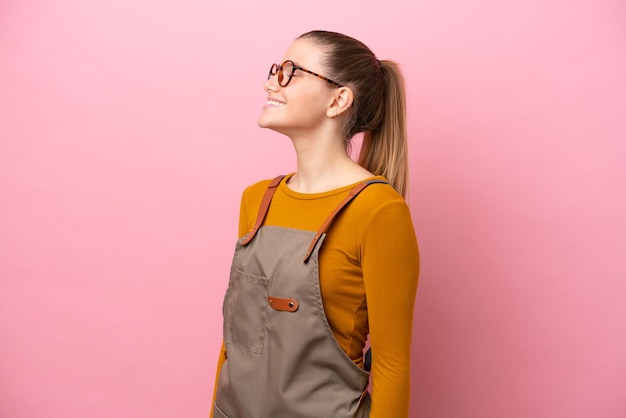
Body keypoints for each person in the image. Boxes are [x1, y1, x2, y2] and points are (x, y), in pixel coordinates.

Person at [211, 30, 419, 418]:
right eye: (276, 69)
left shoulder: (378, 210)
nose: (271, 81)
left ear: (338, 99)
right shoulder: (256, 200)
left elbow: (392, 368)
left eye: (291, 71)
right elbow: (233, 348)